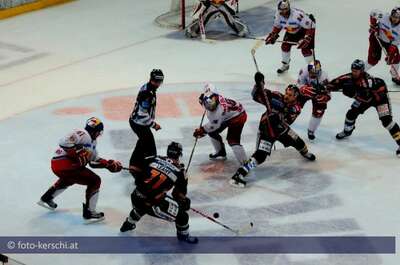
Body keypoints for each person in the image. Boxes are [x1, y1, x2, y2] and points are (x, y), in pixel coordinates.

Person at [230, 72, 316, 188]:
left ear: (296, 97)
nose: (286, 96)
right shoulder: (276, 97)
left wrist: (278, 114)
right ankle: (239, 175)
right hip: (267, 130)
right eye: (286, 93)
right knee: (261, 156)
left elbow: (287, 120)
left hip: (282, 129)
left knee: (298, 142)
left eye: (290, 95)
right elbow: (256, 96)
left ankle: (305, 153)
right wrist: (259, 84)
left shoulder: (297, 106)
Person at [38, 117, 122, 222]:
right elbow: (63, 142)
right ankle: (90, 212)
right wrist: (77, 153)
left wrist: (109, 164)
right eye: (99, 132)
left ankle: (46, 198)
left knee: (69, 180)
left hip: (60, 165)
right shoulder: (83, 134)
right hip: (66, 164)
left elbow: (93, 161)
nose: (99, 135)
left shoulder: (92, 142)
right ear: (96, 131)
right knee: (95, 180)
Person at [120, 142, 198, 244]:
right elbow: (178, 195)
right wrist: (185, 202)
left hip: (135, 196)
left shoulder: (154, 158)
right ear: (179, 154)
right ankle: (184, 236)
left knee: (143, 204)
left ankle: (128, 224)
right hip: (152, 204)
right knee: (183, 216)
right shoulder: (180, 172)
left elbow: (136, 170)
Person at [328, 59, 400, 157]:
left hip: (379, 99)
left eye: (356, 71)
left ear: (361, 71)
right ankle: (347, 131)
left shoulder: (368, 81)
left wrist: (353, 94)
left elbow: (366, 98)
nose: (353, 72)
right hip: (365, 97)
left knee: (387, 121)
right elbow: (334, 83)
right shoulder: (348, 77)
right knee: (351, 114)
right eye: (352, 70)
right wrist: (326, 87)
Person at [193, 83, 247, 164]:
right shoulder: (214, 96)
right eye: (207, 105)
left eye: (211, 105)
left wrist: (202, 130)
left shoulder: (218, 112)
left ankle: (245, 163)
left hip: (238, 116)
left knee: (232, 140)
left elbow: (214, 126)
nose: (210, 107)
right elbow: (209, 87)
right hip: (228, 116)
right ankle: (220, 151)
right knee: (212, 132)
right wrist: (202, 100)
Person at [265, 0, 315, 74]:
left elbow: (310, 26)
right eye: (281, 10)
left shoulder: (297, 15)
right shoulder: (278, 15)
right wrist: (273, 35)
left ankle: (312, 67)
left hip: (304, 30)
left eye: (285, 10)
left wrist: (307, 38)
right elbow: (277, 26)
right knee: (285, 46)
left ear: (288, 8)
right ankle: (285, 65)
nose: (283, 13)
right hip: (290, 30)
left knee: (305, 50)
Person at [129, 69, 164, 176]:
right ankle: (149, 169)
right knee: (150, 147)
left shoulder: (148, 88)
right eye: (157, 81)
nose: (158, 84)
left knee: (143, 142)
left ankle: (134, 165)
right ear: (152, 80)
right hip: (139, 123)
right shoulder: (147, 93)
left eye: (160, 82)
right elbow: (142, 114)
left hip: (138, 122)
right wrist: (154, 125)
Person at [297, 60, 331, 140]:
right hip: (306, 90)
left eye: (314, 73)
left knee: (319, 111)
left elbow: (328, 94)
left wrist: (324, 98)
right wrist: (303, 89)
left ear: (319, 71)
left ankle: (311, 130)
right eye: (311, 72)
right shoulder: (303, 71)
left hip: (318, 94)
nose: (312, 74)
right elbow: (299, 84)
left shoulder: (324, 78)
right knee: (294, 103)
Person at [366, 7, 400, 85]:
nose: (395, 19)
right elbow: (373, 12)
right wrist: (373, 25)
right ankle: (360, 73)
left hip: (390, 43)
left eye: (397, 18)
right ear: (391, 15)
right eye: (393, 16)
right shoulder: (384, 16)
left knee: (396, 60)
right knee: (373, 60)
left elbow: (395, 44)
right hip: (376, 38)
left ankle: (394, 76)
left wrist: (390, 56)